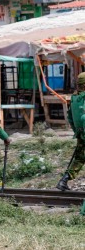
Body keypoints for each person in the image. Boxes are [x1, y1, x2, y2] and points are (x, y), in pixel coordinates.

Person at [57, 73, 85, 215]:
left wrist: (77, 132)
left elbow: (70, 117)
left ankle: (64, 180)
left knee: (79, 158)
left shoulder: (74, 98)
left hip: (81, 134)